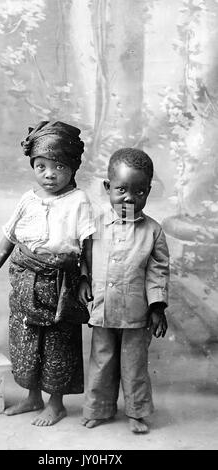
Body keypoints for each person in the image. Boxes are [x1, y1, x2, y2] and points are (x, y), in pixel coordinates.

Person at [0, 121, 96, 426]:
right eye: (41, 166)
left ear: (73, 167)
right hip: (25, 282)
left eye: (58, 166)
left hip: (60, 287)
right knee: (26, 340)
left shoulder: (78, 202)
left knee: (57, 345)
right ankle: (32, 398)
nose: (49, 174)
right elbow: (9, 237)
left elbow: (87, 245)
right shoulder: (28, 199)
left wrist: (84, 279)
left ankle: (56, 404)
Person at [79, 148, 170, 434]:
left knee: (135, 365)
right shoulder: (93, 224)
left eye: (139, 191)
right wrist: (83, 280)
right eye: (121, 189)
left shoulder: (153, 231)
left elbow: (158, 270)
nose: (130, 197)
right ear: (107, 188)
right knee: (101, 361)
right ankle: (98, 409)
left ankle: (137, 412)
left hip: (136, 311)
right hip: (103, 306)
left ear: (148, 191)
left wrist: (157, 307)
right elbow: (83, 257)